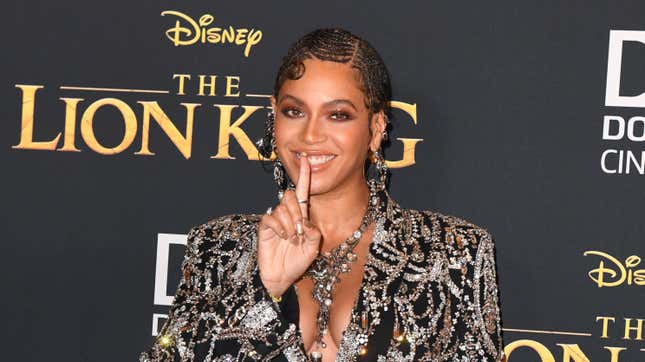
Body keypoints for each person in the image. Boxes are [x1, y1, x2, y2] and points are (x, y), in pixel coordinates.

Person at [140, 27, 504, 362]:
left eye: (338, 115)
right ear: (274, 115)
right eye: (294, 111)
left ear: (376, 128)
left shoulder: (453, 253)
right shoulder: (216, 247)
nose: (311, 135)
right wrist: (263, 289)